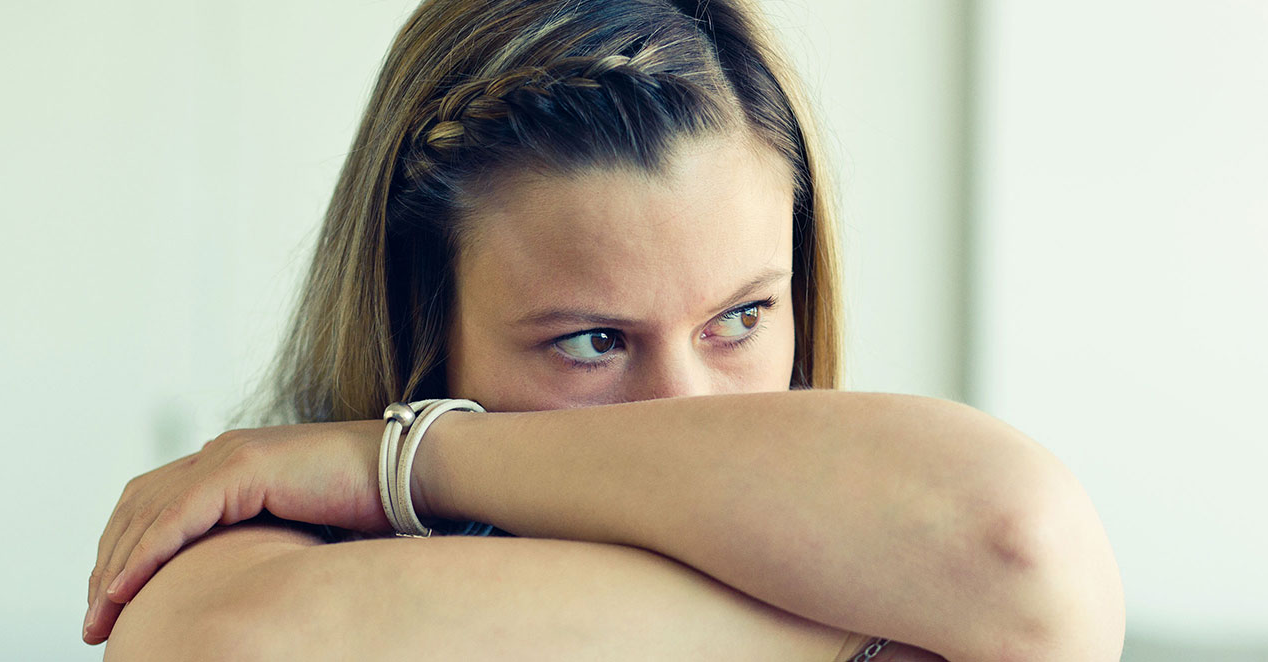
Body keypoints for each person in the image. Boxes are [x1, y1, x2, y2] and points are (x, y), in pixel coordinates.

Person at [82, 0, 1125, 659]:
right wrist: (868, 626)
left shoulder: (889, 514)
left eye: (742, 317)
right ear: (422, 321)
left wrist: (392, 456)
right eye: (592, 340)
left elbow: (1027, 553)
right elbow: (231, 646)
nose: (684, 410)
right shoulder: (259, 548)